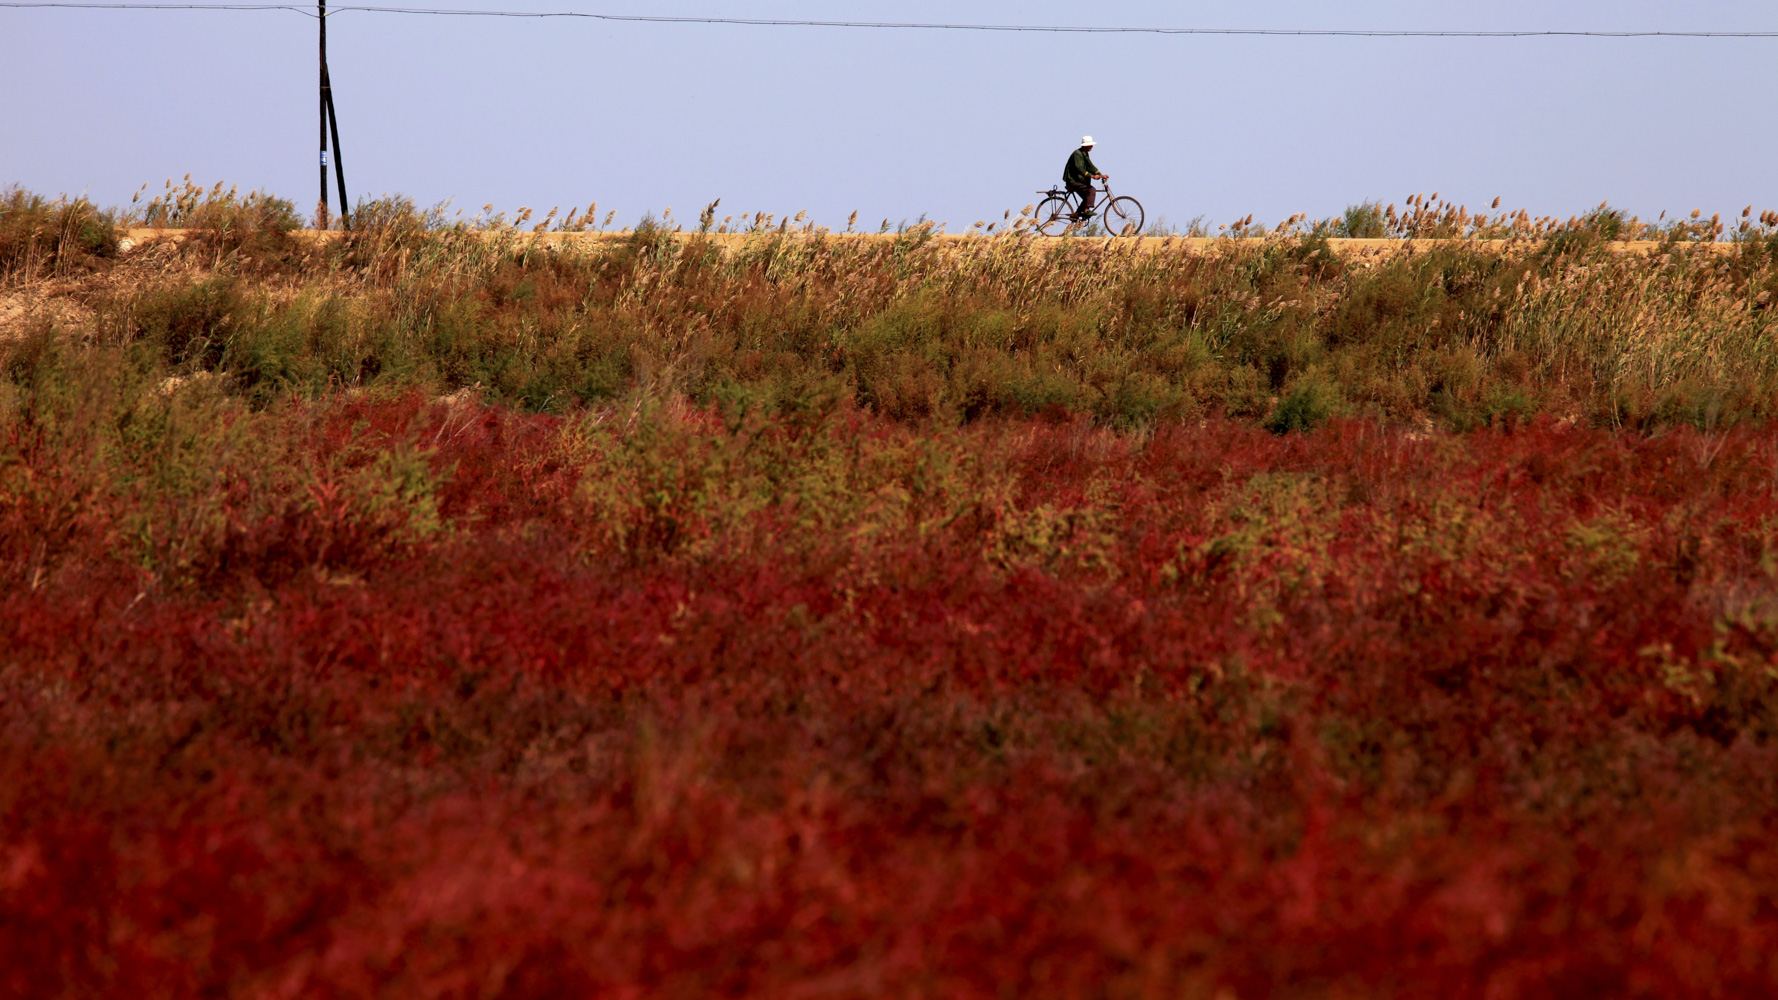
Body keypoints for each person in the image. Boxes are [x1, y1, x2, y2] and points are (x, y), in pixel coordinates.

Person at [1063, 136, 1107, 219]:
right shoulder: (1077, 154)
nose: (1092, 146)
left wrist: (1100, 175)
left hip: (1078, 181)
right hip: (1073, 181)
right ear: (1085, 145)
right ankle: (1086, 211)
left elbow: (1090, 166)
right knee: (1091, 190)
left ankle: (1077, 215)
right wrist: (1092, 176)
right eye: (1090, 145)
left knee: (1087, 197)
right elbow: (1079, 169)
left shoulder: (1085, 154)